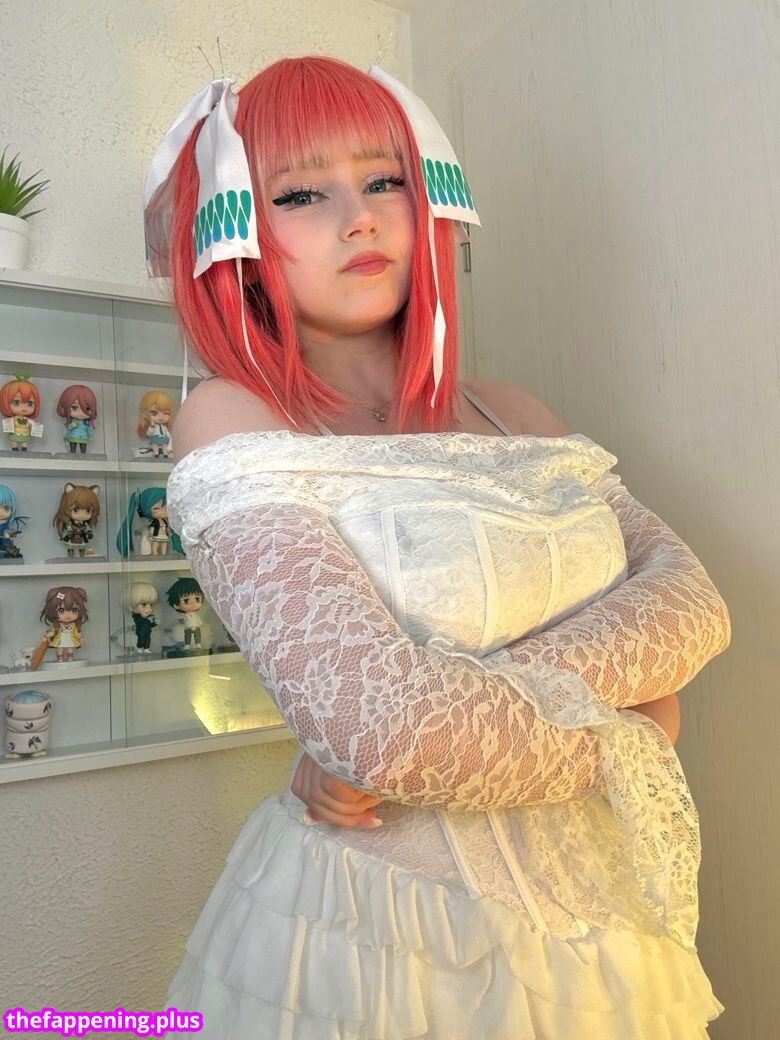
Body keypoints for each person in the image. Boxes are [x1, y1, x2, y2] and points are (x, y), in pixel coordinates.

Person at [147, 56, 731, 1037]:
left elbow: (691, 600)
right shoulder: (234, 419)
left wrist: (447, 724)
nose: (360, 218)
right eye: (301, 194)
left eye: (385, 180)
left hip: (600, 917)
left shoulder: (517, 414)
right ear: (238, 232)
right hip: (375, 934)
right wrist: (633, 723)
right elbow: (386, 735)